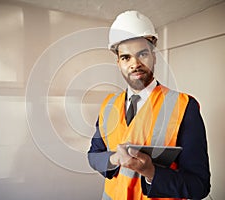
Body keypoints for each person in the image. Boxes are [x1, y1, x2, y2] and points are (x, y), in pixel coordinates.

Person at [87, 10, 210, 200]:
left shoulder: (184, 106)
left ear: (153, 55)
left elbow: (199, 186)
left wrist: (152, 173)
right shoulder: (108, 105)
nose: (135, 63)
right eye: (126, 57)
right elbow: (94, 155)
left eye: (142, 53)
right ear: (118, 62)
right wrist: (113, 159)